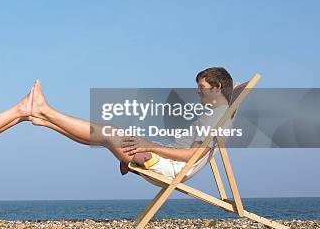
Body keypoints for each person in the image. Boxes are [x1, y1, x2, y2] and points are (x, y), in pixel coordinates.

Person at [30, 67, 235, 179]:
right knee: (108, 134)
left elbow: (192, 155)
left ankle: (46, 112)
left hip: (172, 167)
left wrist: (149, 146)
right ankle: (46, 120)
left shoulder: (218, 116)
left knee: (108, 135)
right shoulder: (219, 112)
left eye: (201, 87)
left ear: (216, 87)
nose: (198, 91)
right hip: (167, 158)